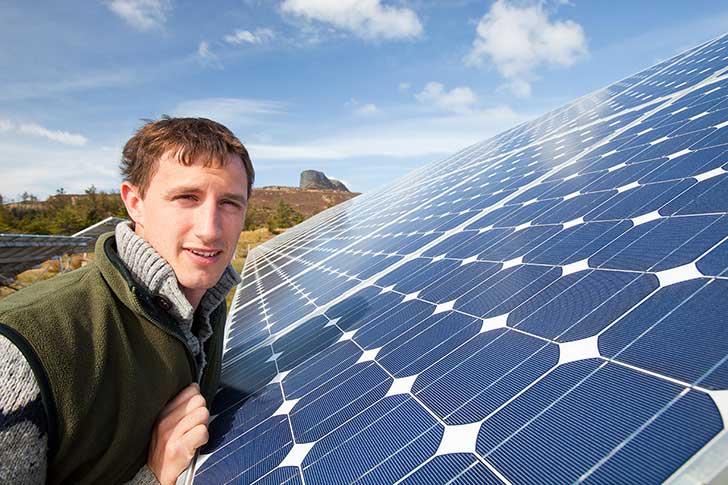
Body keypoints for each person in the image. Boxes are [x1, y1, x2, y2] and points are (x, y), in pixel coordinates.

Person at [0, 116, 254, 484]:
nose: (210, 229)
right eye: (187, 197)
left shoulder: (209, 310)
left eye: (230, 203)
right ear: (134, 202)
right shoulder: (22, 353)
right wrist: (153, 475)